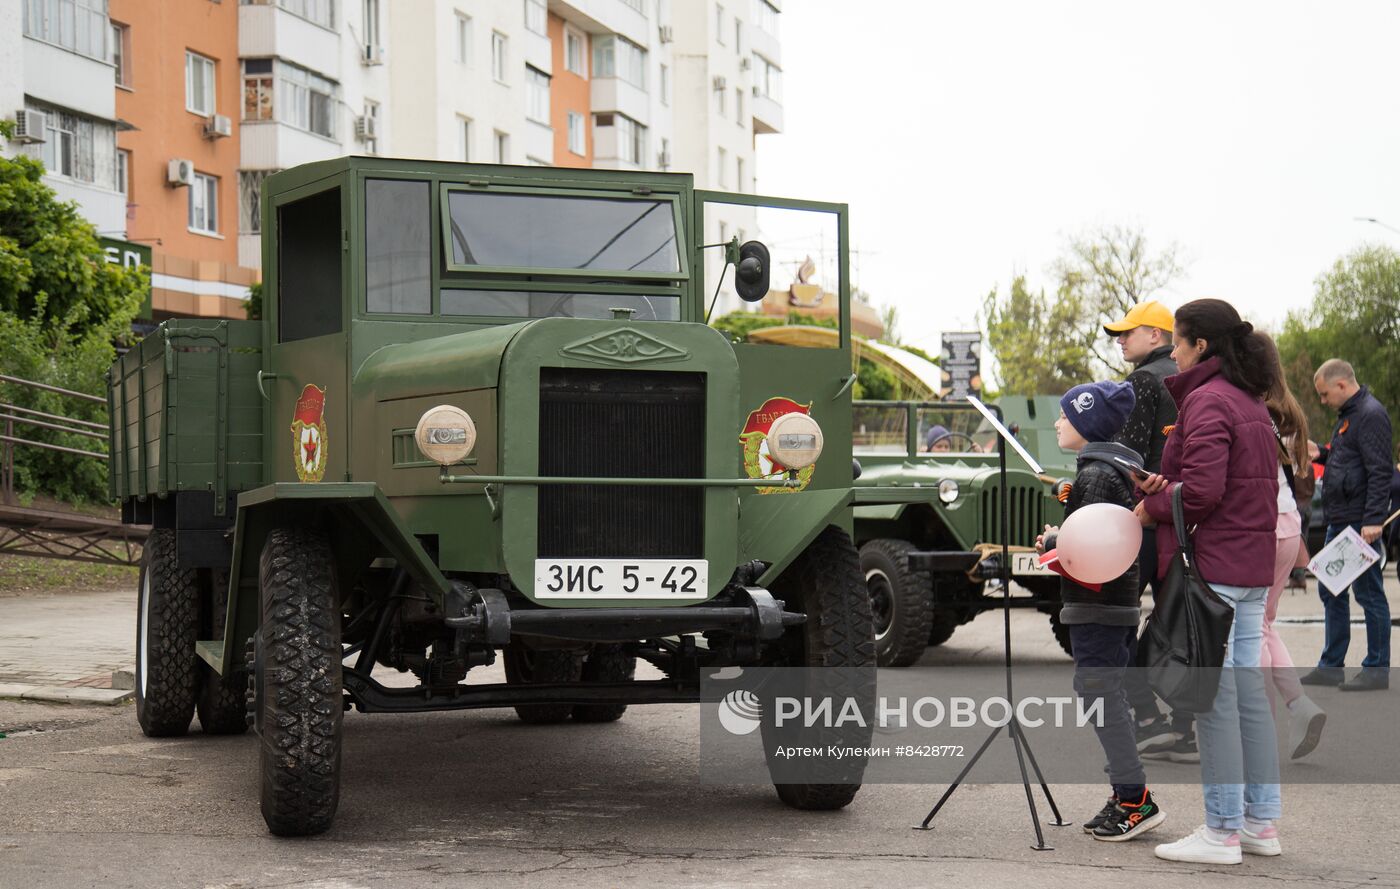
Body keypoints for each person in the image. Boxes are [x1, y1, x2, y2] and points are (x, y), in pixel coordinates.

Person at [1134, 299, 1282, 865]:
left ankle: (1221, 832)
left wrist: (1155, 501)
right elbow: (1226, 486)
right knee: (1247, 697)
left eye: (1177, 340)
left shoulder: (1206, 400)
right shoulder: (1248, 401)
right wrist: (1169, 485)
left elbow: (1202, 494)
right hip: (1248, 568)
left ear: (1200, 345)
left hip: (1214, 570)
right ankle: (1260, 825)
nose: (1172, 350)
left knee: (1214, 701)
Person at [1035, 380, 1165, 842]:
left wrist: (1053, 542)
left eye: (1066, 416)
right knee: (1108, 694)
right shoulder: (1115, 466)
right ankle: (1125, 792)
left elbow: (1089, 547)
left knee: (1099, 695)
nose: (1057, 422)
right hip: (1114, 605)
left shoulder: (1095, 473)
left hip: (1097, 607)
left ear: (1087, 423)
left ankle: (1134, 799)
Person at [1102, 300, 1188, 758]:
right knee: (1181, 625)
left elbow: (1127, 457)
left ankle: (1147, 718)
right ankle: (1186, 726)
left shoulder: (1141, 381)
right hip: (1185, 517)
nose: (1120, 339)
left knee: (1112, 622)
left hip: (1145, 519)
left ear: (1157, 335)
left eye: (1127, 332)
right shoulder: (1191, 378)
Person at [1300, 359, 1394, 692]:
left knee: (1369, 593)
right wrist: (1322, 454)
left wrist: (1372, 520)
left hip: (1358, 522)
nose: (1323, 401)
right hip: (1340, 519)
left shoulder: (1370, 414)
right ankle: (1331, 667)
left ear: (1341, 385)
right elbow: (1349, 461)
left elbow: (1380, 471)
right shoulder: (1350, 417)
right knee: (1331, 590)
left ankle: (1376, 669)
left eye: (1325, 394)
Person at [1258, 335, 1325, 759]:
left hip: (1263, 525)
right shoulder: (1291, 410)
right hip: (1289, 523)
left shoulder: (1257, 409)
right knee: (1264, 624)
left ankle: (1267, 723)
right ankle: (1298, 705)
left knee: (1250, 629)